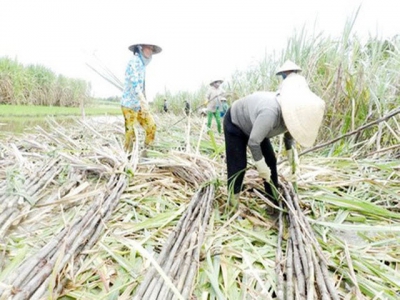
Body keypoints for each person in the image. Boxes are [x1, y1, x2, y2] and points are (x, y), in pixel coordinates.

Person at [223, 60, 325, 205]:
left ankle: (272, 197)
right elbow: (253, 142)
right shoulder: (270, 113)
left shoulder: (293, 114)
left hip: (256, 125)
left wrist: (292, 157)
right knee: (238, 165)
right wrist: (260, 165)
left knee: (271, 160)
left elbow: (289, 136)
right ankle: (233, 203)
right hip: (236, 122)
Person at [120, 42, 162, 153]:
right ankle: (128, 157)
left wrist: (144, 101)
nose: (150, 51)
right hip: (129, 104)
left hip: (139, 105)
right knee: (130, 133)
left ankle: (145, 152)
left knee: (151, 127)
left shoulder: (143, 65)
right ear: (141, 48)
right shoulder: (134, 61)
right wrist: (141, 98)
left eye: (152, 49)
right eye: (148, 48)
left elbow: (142, 85)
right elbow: (134, 81)